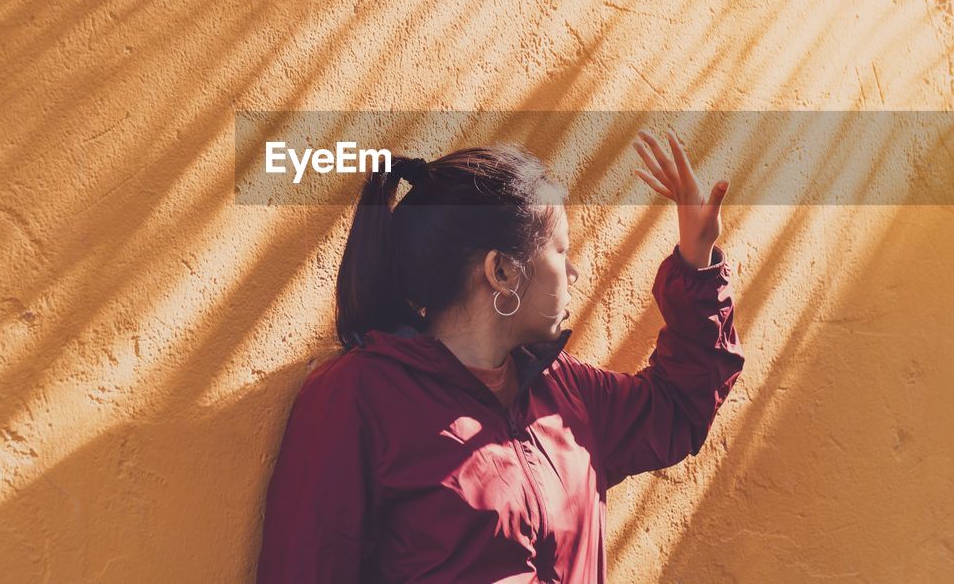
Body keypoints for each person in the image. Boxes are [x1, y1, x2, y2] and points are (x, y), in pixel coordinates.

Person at [255, 130, 744, 583]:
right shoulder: (356, 398)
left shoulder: (565, 392)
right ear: (503, 272)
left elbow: (677, 408)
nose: (573, 272)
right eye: (560, 251)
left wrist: (697, 263)